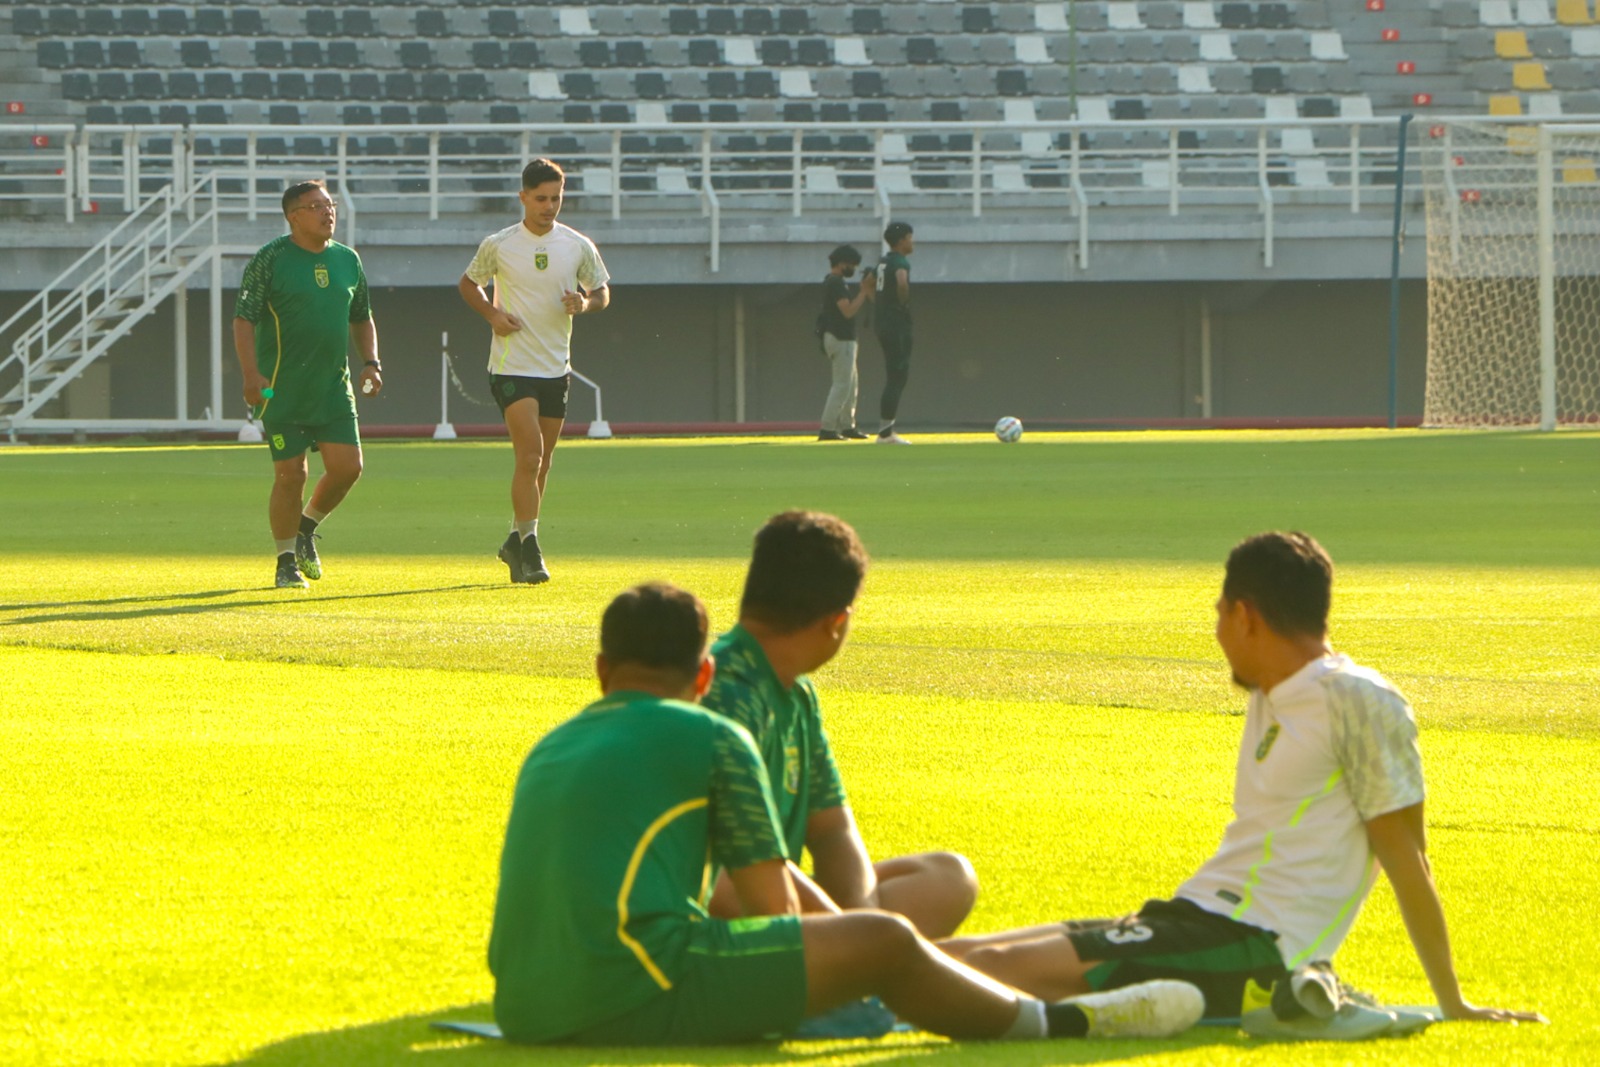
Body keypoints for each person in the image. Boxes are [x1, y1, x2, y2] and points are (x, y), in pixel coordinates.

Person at [488, 580, 1206, 1045]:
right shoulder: (710, 733)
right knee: (888, 940)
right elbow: (772, 907)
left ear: (601, 668)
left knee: (887, 925)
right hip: (631, 991)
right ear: (703, 675)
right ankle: (1064, 1022)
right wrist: (858, 954)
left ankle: (936, 973)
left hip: (524, 1004)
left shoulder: (552, 744)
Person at [941, 532, 1546, 1034]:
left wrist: (1453, 1002)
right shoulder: (1272, 690)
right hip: (1195, 916)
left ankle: (858, 1005)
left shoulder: (1356, 701)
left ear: (1244, 615)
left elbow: (1406, 856)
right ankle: (853, 991)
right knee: (959, 955)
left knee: (998, 966)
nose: (1216, 633)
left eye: (1219, 614)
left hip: (1256, 947)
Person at [701, 510, 976, 939]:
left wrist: (855, 924)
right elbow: (723, 872)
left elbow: (832, 831)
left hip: (789, 906)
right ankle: (854, 976)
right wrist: (846, 935)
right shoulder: (725, 693)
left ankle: (856, 970)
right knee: (903, 935)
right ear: (837, 622)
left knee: (947, 876)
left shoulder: (796, 694)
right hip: (734, 912)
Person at [459, 158, 610, 586]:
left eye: (556, 198)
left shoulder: (577, 245)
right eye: (541, 198)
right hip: (511, 365)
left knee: (540, 466)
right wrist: (492, 314)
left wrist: (585, 303)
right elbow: (469, 283)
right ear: (523, 197)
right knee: (529, 455)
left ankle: (514, 539)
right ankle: (531, 548)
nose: (549, 206)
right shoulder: (500, 243)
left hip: (555, 368)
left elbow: (601, 291)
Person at [234, 179, 381, 590]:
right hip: (280, 388)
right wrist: (251, 375)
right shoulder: (271, 259)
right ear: (293, 216)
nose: (327, 211)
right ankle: (285, 561)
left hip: (334, 387)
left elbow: (362, 315)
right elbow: (243, 318)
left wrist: (371, 362)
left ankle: (305, 527)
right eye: (316, 206)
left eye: (329, 204)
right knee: (290, 476)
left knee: (348, 468)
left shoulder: (348, 260)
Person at [815, 244, 875, 441]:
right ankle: (828, 427)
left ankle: (848, 425)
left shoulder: (832, 282)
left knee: (850, 384)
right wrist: (864, 292)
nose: (853, 270)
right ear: (842, 264)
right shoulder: (836, 283)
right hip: (841, 338)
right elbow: (847, 310)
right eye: (851, 265)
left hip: (838, 338)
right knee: (842, 385)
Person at [871, 221, 915, 445]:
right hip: (896, 324)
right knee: (897, 376)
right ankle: (886, 432)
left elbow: (868, 282)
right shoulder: (899, 261)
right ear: (901, 241)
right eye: (909, 237)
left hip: (883, 322)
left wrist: (879, 304)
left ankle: (886, 430)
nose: (912, 241)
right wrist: (902, 303)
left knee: (894, 375)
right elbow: (902, 282)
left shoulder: (883, 260)